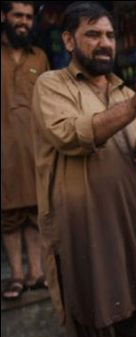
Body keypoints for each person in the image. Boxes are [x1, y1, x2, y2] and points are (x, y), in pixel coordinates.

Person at [31, 2, 136, 337]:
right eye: (92, 34)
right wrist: (133, 108)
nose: (105, 43)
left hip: (133, 234)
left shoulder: (126, 93)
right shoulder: (51, 85)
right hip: (83, 237)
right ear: (69, 40)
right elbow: (69, 135)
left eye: (109, 35)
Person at [1, 0, 49, 300]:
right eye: (18, 15)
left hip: (35, 149)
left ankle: (37, 273)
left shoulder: (40, 57)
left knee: (34, 211)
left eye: (29, 17)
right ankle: (16, 276)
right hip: (3, 151)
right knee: (8, 215)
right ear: (3, 15)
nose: (24, 22)